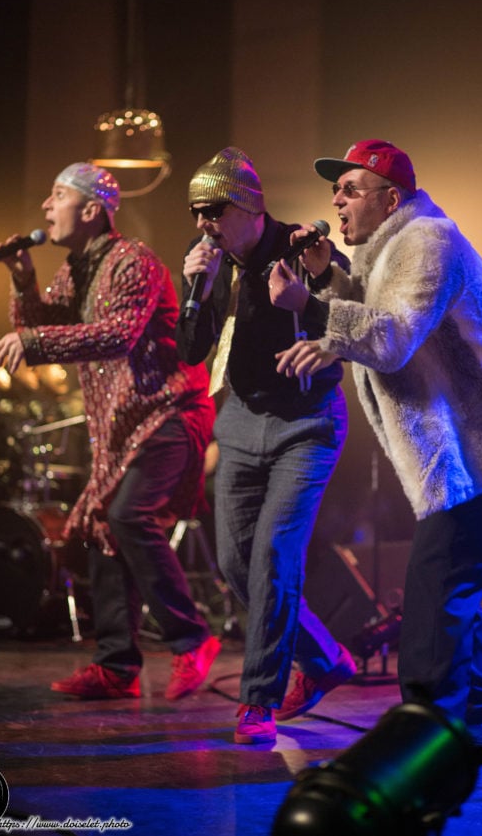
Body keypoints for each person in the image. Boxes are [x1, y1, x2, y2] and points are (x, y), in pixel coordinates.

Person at [272, 138, 482, 753]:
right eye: (337, 189)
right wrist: (328, 276)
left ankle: (424, 734)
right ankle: (477, 722)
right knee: (454, 583)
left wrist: (309, 304)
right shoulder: (394, 248)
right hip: (472, 444)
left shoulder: (427, 241)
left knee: (437, 586)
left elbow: (393, 337)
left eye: (350, 189)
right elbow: (378, 311)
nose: (336, 199)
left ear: (390, 199)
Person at [0, 162, 220, 701]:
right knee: (101, 526)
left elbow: (118, 335)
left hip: (169, 411)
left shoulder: (132, 261)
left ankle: (191, 638)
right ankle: (117, 666)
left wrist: (35, 344)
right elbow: (40, 327)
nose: (46, 207)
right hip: (120, 425)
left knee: (125, 513)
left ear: (91, 210)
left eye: (56, 195)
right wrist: (22, 277)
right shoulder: (74, 270)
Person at [175, 147, 356, 744]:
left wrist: (319, 276)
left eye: (214, 209)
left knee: (275, 557)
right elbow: (191, 352)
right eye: (197, 210)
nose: (204, 221)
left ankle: (259, 702)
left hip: (305, 426)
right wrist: (193, 286)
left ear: (250, 206)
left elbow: (350, 311)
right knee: (236, 563)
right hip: (242, 423)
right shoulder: (214, 263)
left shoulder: (301, 245)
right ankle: (326, 657)